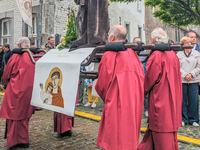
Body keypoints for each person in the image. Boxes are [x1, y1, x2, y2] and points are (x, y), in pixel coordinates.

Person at [95, 25, 144, 150]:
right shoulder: (133, 54)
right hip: (133, 102)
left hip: (117, 103)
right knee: (129, 135)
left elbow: (102, 85)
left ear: (111, 38)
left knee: (116, 137)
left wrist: (109, 98)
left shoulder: (109, 55)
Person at [138, 28, 182, 150]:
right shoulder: (173, 55)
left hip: (160, 101)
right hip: (172, 101)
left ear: (153, 40)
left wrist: (139, 91)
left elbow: (149, 80)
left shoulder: (156, 55)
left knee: (162, 135)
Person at [0, 37, 35, 149]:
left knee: (13, 117)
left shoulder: (15, 57)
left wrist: (8, 84)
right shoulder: (32, 58)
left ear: (19, 46)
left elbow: (6, 74)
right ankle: (24, 140)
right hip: (28, 91)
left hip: (15, 90)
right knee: (24, 116)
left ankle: (13, 141)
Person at [177, 37, 200, 127]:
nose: (189, 44)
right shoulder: (179, 54)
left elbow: (199, 66)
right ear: (183, 44)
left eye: (190, 42)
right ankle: (183, 118)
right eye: (186, 42)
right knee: (182, 100)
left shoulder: (197, 54)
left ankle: (193, 119)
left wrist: (191, 74)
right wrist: (185, 75)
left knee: (193, 100)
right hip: (182, 80)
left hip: (193, 79)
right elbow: (177, 66)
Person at [133, 37, 148, 117]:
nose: (138, 43)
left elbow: (146, 65)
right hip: (134, 78)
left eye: (139, 41)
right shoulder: (131, 53)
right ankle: (135, 110)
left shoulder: (144, 52)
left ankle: (146, 110)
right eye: (136, 42)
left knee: (145, 95)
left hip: (143, 76)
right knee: (134, 95)